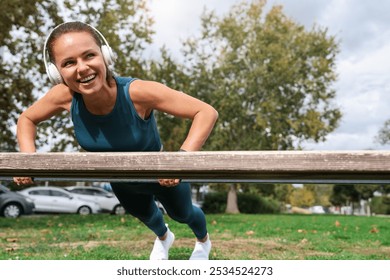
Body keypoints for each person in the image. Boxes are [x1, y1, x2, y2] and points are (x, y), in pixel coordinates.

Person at [13, 21, 218, 260]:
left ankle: (203, 242)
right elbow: (27, 118)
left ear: (105, 54)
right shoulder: (63, 96)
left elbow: (205, 112)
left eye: (89, 55)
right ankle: (163, 238)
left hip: (163, 176)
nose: (82, 68)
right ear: (56, 72)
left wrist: (180, 161)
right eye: (68, 63)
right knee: (147, 216)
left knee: (183, 214)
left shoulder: (137, 92)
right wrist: (28, 159)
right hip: (122, 181)